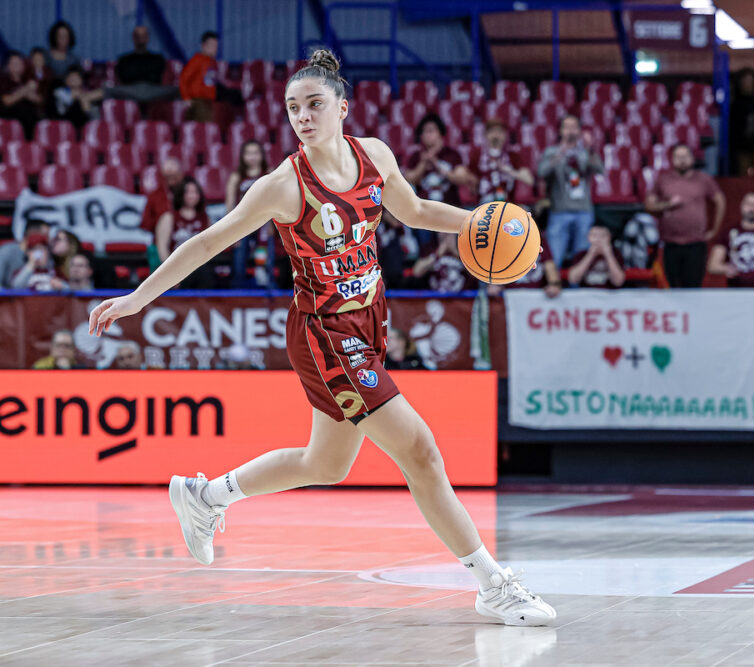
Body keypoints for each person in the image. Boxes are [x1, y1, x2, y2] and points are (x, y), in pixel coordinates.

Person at [88, 49, 555, 627]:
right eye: (292, 108)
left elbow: (412, 211)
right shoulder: (282, 186)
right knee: (421, 452)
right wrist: (138, 298)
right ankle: (493, 584)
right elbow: (208, 242)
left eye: (313, 104)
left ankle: (204, 497)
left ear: (343, 108)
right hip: (325, 334)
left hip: (368, 321)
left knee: (326, 464)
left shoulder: (375, 156)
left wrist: (484, 224)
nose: (303, 116)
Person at [644, 144, 725, 288]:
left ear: (692, 159)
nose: (682, 160)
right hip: (671, 243)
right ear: (672, 159)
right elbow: (649, 205)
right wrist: (667, 205)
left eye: (685, 156)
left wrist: (714, 229)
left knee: (693, 287)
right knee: (673, 287)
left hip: (696, 243)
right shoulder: (663, 179)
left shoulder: (703, 179)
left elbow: (720, 200)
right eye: (678, 157)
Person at [537, 115, 604, 270]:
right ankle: (554, 286)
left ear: (580, 131)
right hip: (560, 212)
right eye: (567, 127)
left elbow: (600, 170)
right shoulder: (552, 151)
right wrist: (561, 152)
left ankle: (578, 291)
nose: (570, 131)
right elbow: (541, 172)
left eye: (574, 127)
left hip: (583, 211)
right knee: (555, 257)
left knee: (581, 258)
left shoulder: (586, 151)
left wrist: (589, 149)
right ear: (560, 131)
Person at [403, 113, 472, 247]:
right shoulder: (416, 156)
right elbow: (409, 180)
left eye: (431, 131)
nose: (427, 135)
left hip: (450, 207)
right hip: (424, 210)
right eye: (424, 132)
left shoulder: (452, 155)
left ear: (440, 133)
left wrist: (437, 164)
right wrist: (423, 164)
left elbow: (461, 178)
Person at [227, 140, 275, 288]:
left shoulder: (270, 172)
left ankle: (268, 289)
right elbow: (230, 204)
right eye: (248, 153)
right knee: (239, 259)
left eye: (256, 153)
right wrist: (231, 231)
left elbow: (275, 200)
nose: (252, 157)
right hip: (242, 224)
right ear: (242, 156)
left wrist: (273, 223)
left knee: (266, 258)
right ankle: (238, 293)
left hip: (264, 222)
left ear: (261, 155)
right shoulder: (236, 176)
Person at [155, 177, 214, 289]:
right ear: (181, 194)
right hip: (176, 267)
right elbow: (162, 248)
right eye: (188, 192)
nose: (192, 195)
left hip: (199, 266)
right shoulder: (169, 217)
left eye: (195, 192)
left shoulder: (205, 218)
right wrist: (170, 274)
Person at [469, 118, 534, 205]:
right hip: (484, 205)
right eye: (492, 132)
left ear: (505, 135)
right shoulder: (478, 155)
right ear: (485, 135)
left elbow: (529, 180)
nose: (496, 136)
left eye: (499, 132)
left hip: (507, 204)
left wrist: (507, 170)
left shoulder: (512, 156)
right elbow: (469, 180)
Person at [179, 31, 241, 121]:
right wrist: (186, 97)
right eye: (212, 46)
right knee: (206, 122)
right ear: (203, 46)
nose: (215, 49)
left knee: (235, 95)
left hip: (210, 97)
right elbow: (184, 78)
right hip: (199, 99)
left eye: (216, 46)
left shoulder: (212, 62)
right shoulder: (196, 60)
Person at [105, 26, 176, 103]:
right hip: (130, 90)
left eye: (143, 36)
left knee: (179, 90)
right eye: (138, 36)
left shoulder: (158, 58)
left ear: (148, 38)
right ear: (133, 38)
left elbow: (155, 77)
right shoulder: (123, 60)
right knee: (106, 91)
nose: (141, 39)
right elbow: (125, 77)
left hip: (153, 90)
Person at [412, 232, 479, 293]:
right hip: (436, 298)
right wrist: (436, 255)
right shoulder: (430, 248)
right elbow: (416, 272)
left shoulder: (466, 250)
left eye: (449, 233)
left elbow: (476, 276)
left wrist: (457, 254)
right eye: (442, 231)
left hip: (462, 299)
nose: (446, 234)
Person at [0, 51, 44, 140]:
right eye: (14, 63)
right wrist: (25, 91)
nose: (17, 66)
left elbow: (39, 100)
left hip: (31, 117)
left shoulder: (29, 78)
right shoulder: (3, 81)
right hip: (9, 114)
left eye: (19, 63)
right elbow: (7, 101)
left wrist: (23, 93)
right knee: (23, 111)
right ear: (8, 66)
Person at [47, 66, 102, 130]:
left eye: (76, 77)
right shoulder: (59, 93)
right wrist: (72, 98)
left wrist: (85, 105)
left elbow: (95, 118)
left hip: (84, 127)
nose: (73, 79)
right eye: (70, 77)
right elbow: (59, 113)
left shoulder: (88, 95)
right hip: (63, 126)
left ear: (81, 80)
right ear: (66, 80)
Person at [140, 157, 185, 234]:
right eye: (167, 176)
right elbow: (146, 224)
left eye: (174, 176)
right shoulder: (154, 196)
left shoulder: (191, 194)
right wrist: (161, 221)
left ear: (181, 174)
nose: (171, 180)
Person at [0, 219, 50, 288]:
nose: (47, 239)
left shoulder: (44, 253)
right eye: (45, 235)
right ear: (32, 233)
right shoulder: (6, 251)